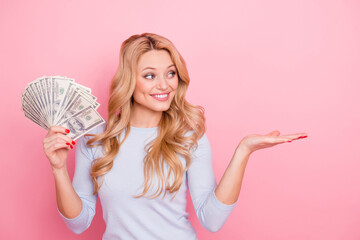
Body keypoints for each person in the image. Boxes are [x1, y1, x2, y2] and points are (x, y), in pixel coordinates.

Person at [42, 33, 308, 240]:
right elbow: (78, 224)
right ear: (128, 81)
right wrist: (58, 169)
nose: (165, 85)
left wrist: (243, 151)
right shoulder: (96, 139)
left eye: (171, 73)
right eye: (150, 76)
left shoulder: (189, 138)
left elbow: (211, 220)